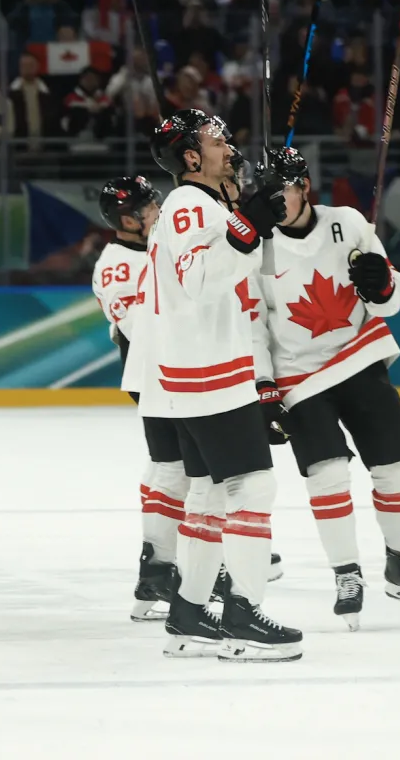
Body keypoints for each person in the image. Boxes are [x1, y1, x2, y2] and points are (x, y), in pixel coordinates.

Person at [256, 146, 400, 630]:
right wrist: (263, 386)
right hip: (298, 378)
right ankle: (347, 575)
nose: (277, 203)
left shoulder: (348, 223)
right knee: (327, 475)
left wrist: (382, 285)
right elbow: (252, 324)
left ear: (304, 187)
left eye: (283, 192)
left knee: (395, 467)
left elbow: (391, 297)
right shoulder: (256, 249)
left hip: (358, 357)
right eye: (268, 195)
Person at [129, 109, 298, 662]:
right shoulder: (187, 204)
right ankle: (244, 615)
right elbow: (201, 281)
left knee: (207, 493)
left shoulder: (204, 205)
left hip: (199, 372)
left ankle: (189, 611)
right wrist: (244, 225)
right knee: (253, 487)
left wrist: (253, 218)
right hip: (204, 374)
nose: (230, 145)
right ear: (191, 158)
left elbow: (236, 275)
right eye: (217, 138)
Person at [93, 174, 187, 622]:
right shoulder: (116, 264)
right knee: (178, 467)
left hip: (171, 371)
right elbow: (139, 327)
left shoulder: (156, 245)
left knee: (172, 467)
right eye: (150, 207)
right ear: (127, 219)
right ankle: (160, 571)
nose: (158, 211)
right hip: (154, 374)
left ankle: (158, 575)